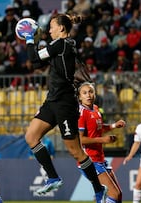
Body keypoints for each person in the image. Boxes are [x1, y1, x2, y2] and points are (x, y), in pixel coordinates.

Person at [22, 13, 108, 202]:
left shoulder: (60, 44)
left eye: (52, 26)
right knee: (31, 137)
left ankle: (98, 188)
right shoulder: (63, 44)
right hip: (52, 100)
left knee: (75, 151)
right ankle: (53, 177)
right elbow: (40, 58)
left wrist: (30, 39)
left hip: (65, 103)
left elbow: (35, 61)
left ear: (61, 28)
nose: (49, 30)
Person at [78, 82, 125, 202]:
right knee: (113, 195)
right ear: (79, 97)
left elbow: (99, 127)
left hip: (100, 159)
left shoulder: (95, 109)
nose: (88, 95)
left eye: (90, 92)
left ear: (95, 94)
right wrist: (103, 140)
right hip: (89, 161)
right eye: (84, 93)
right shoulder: (81, 113)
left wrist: (114, 125)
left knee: (117, 195)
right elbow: (80, 139)